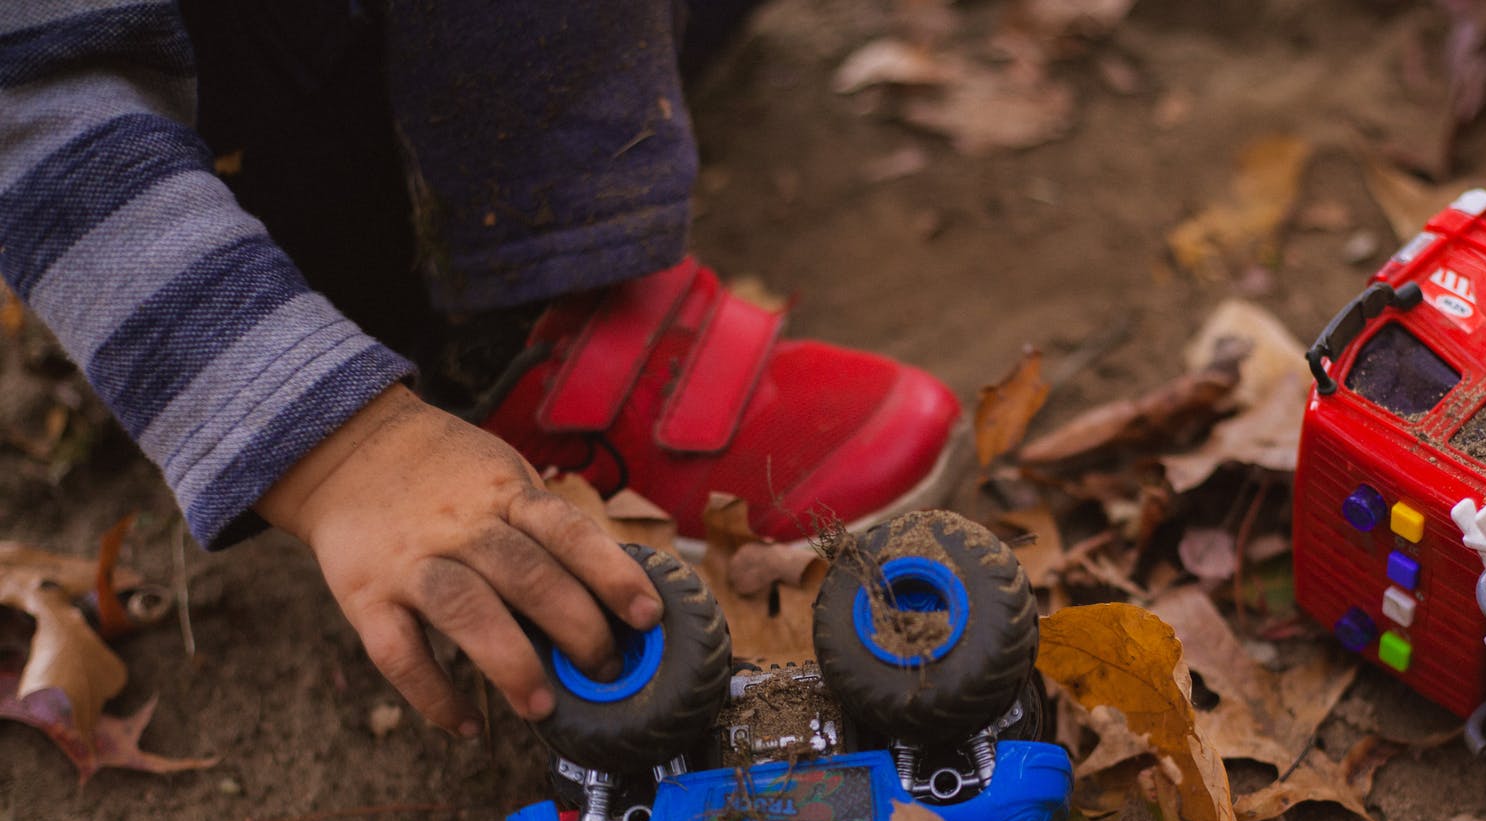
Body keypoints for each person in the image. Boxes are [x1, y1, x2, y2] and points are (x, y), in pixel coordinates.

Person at [0, 1, 964, 738]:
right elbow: (29, 98)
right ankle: (523, 341)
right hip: (222, 141)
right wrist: (342, 451)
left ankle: (574, 250)